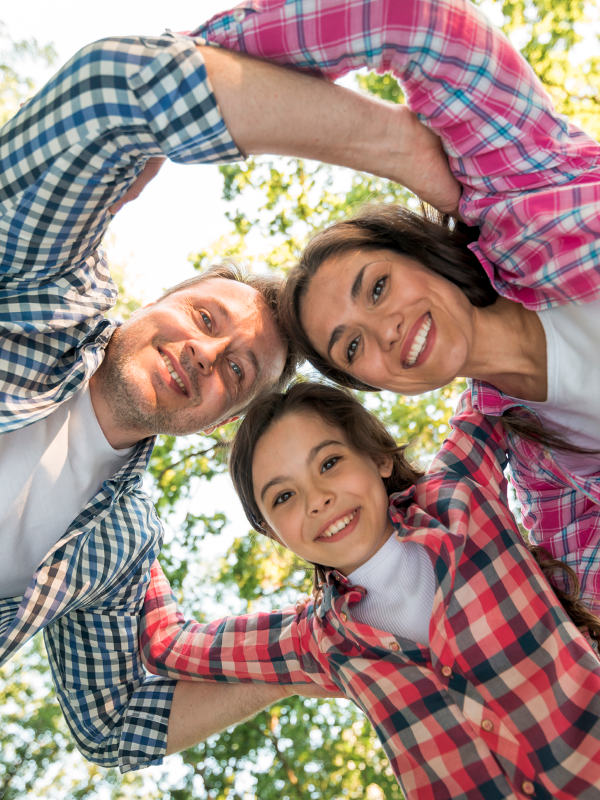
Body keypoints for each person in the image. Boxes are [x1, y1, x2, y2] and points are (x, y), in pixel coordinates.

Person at [0, 26, 442, 770]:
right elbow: (115, 87)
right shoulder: (39, 297)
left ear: (224, 418)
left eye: (237, 372)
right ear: (152, 302)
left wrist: (320, 651)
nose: (205, 355)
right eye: (205, 319)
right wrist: (405, 153)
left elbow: (117, 723)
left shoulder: (121, 545)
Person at [195, 0, 600, 612]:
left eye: (377, 287)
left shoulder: (534, 210)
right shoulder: (546, 473)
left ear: (420, 251)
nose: (385, 332)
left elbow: (413, 21)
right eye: (352, 347)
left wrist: (178, 85)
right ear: (373, 383)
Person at [141, 382, 600, 799]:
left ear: (378, 457)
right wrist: (125, 498)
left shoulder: (458, 496)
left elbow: (492, 382)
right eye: (283, 497)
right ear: (274, 533)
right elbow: (169, 645)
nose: (317, 498)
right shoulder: (319, 641)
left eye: (329, 463)